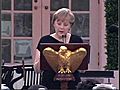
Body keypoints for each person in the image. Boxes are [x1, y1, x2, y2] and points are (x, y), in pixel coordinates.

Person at [33, 8, 83, 89]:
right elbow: (37, 70)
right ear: (53, 23)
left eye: (66, 25)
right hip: (50, 83)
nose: (61, 27)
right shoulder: (45, 40)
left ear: (70, 26)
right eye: (59, 24)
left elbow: (82, 70)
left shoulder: (77, 41)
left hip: (73, 84)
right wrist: (43, 57)